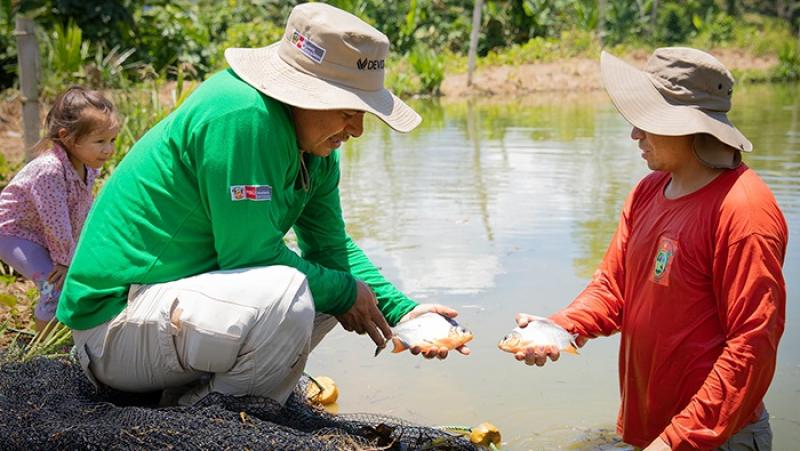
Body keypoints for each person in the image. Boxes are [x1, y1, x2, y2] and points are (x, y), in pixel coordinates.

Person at [56, 2, 469, 407]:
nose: (358, 129)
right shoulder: (243, 115)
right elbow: (249, 256)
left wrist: (404, 312)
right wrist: (345, 292)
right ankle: (205, 423)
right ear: (303, 93)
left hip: (171, 312)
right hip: (113, 327)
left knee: (327, 289)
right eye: (348, 110)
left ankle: (200, 399)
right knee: (291, 292)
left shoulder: (317, 150)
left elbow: (330, 249)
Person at [510, 47, 787, 450]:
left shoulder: (744, 212)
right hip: (652, 430)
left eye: (646, 121)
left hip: (714, 437)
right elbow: (614, 288)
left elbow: (752, 346)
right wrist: (560, 328)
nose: (634, 134)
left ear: (690, 126)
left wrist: (674, 440)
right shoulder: (649, 191)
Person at [0, 87, 119, 331]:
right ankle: (43, 354)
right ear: (67, 137)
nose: (109, 149)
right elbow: (55, 223)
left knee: (64, 280)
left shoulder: (87, 167)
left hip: (37, 231)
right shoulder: (50, 171)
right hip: (11, 231)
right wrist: (65, 261)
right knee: (53, 286)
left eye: (112, 140)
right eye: (100, 141)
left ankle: (63, 333)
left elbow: (80, 211)